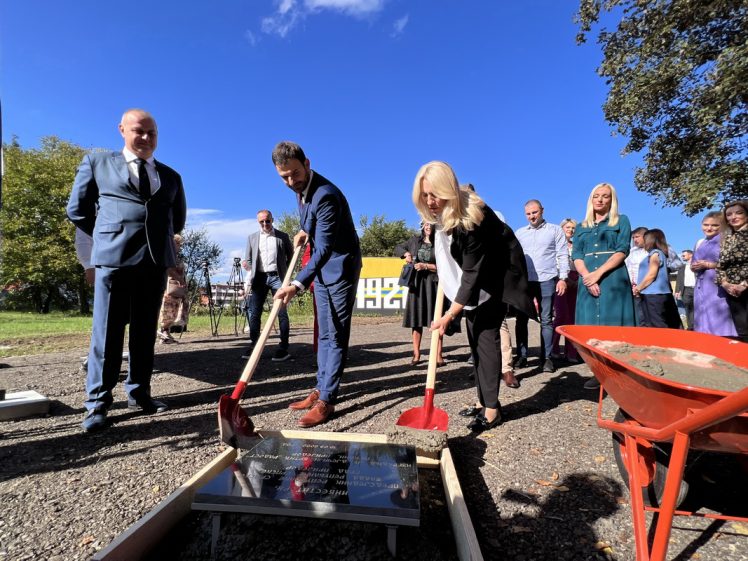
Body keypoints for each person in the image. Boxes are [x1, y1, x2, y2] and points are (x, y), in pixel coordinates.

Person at [67, 109, 186, 432]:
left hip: (153, 263)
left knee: (145, 332)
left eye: (152, 133)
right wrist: (110, 234)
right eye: (139, 131)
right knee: (106, 333)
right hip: (113, 261)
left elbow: (178, 220)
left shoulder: (171, 176)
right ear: (122, 130)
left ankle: (140, 393)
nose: (146, 139)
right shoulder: (98, 163)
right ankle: (97, 403)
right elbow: (77, 210)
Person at [413, 161, 533, 433]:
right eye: (425, 195)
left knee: (486, 340)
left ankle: (492, 409)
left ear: (448, 189)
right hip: (477, 277)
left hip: (497, 278)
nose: (430, 201)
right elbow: (448, 258)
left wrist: (449, 314)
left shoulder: (470, 218)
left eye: (435, 194)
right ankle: (482, 402)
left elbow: (472, 272)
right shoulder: (444, 212)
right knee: (475, 338)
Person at [272, 141, 362, 428]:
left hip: (339, 270)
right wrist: (303, 230)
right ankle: (320, 388)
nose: (290, 181)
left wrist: (296, 285)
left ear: (307, 164)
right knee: (323, 333)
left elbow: (322, 250)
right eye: (284, 176)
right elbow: (312, 223)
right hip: (323, 272)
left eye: (295, 174)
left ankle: (328, 400)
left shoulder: (325, 195)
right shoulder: (302, 191)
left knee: (335, 334)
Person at [572, 183, 635, 389]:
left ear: (612, 199)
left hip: (613, 278)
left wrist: (598, 274)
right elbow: (577, 255)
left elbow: (622, 249)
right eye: (596, 196)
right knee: (590, 326)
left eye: (605, 196)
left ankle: (619, 372)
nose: (600, 200)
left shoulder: (621, 220)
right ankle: (599, 373)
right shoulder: (582, 226)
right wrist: (587, 276)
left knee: (613, 323)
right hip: (587, 277)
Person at [514, 200, 569, 373]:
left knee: (546, 320)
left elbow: (562, 254)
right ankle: (522, 356)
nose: (532, 216)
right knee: (521, 319)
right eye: (528, 214)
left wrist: (563, 278)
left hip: (547, 279)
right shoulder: (520, 233)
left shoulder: (555, 230)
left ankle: (547, 358)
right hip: (525, 281)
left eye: (535, 212)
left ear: (542, 211)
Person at [241, 209, 294, 361]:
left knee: (281, 312)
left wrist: (287, 275)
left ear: (272, 220)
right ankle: (254, 345)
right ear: (258, 222)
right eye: (262, 222)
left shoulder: (282, 237)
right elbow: (248, 259)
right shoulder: (252, 238)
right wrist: (251, 270)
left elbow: (291, 257)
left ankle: (283, 348)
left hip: (278, 278)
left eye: (267, 221)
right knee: (254, 312)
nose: (265, 224)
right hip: (259, 278)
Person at [395, 222, 446, 366]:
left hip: (434, 285)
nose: (428, 227)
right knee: (416, 320)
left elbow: (446, 265)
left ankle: (438, 354)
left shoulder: (441, 242)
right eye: (426, 224)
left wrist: (427, 266)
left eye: (431, 224)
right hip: (416, 285)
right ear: (422, 226)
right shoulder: (414, 240)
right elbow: (398, 247)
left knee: (436, 320)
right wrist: (406, 253)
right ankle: (416, 354)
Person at [691, 211, 737, 337]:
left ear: (722, 226)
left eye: (714, 225)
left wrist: (708, 265)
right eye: (706, 225)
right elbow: (692, 264)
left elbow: (733, 264)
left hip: (718, 284)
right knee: (703, 316)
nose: (709, 228)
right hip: (701, 285)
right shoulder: (701, 242)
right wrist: (695, 267)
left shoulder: (726, 240)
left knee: (718, 316)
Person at [632, 229, 682, 329]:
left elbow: (651, 274)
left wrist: (638, 288)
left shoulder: (655, 254)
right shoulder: (658, 253)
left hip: (653, 294)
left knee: (656, 323)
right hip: (652, 293)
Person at [716, 200, 748, 341]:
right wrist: (725, 284)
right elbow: (721, 265)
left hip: (745, 286)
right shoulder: (727, 238)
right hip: (732, 290)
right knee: (742, 330)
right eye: (729, 214)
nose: (733, 217)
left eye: (739, 213)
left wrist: (744, 285)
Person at [550, 218, 580, 363]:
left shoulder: (577, 246)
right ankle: (553, 348)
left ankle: (571, 352)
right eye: (567, 227)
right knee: (561, 315)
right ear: (562, 228)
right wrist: (565, 279)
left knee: (573, 318)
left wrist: (578, 280)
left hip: (576, 280)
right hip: (560, 280)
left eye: (573, 228)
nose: (570, 230)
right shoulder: (555, 246)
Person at [157, 234, 189, 343]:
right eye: (177, 244)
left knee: (174, 310)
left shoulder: (175, 256)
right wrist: (180, 278)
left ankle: (166, 333)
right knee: (168, 310)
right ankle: (164, 332)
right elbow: (168, 269)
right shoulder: (168, 255)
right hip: (170, 287)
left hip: (177, 287)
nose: (179, 246)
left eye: (180, 244)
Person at [625, 227, 649, 325]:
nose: (635, 240)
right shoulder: (631, 252)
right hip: (632, 288)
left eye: (637, 237)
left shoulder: (651, 251)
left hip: (648, 288)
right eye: (633, 237)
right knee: (638, 316)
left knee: (647, 316)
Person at [674, 249, 695, 330]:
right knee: (687, 309)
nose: (682, 257)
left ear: (691, 255)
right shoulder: (682, 267)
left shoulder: (697, 265)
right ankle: (690, 327)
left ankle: (698, 326)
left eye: (684, 255)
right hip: (686, 290)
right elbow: (679, 279)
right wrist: (676, 291)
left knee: (697, 308)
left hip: (697, 289)